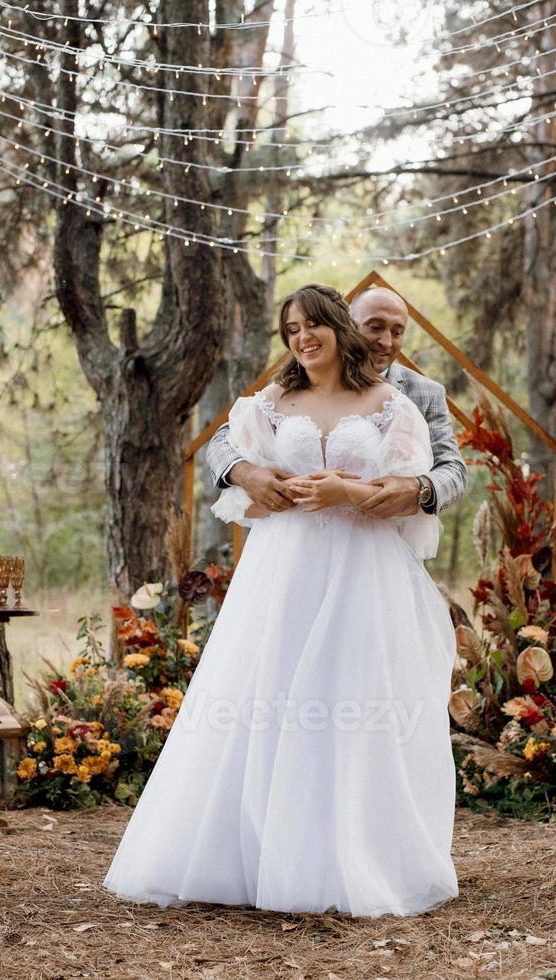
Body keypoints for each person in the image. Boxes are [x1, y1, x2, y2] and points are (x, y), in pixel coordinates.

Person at [103, 283, 459, 918]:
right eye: (291, 329)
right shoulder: (277, 395)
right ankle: (246, 854)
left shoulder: (402, 400)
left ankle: (351, 853)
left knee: (350, 700)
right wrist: (251, 474)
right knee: (267, 695)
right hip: (283, 572)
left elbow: (425, 480)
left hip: (361, 572)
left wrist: (354, 492)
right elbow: (225, 444)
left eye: (396, 330)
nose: (302, 338)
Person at [206, 284, 467, 521]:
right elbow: (222, 439)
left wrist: (417, 487)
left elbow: (453, 468)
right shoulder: (292, 385)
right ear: (347, 325)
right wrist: (245, 473)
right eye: (375, 327)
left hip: (382, 543)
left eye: (397, 332)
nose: (386, 341)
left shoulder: (421, 393)